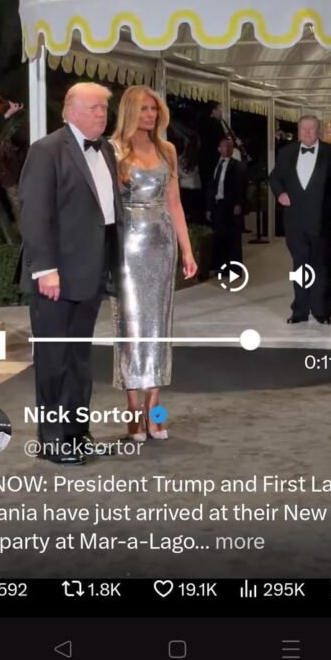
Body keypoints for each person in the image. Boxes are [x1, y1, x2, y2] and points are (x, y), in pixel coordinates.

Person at [18, 82, 123, 465]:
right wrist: (45, 269)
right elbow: (34, 214)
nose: (102, 114)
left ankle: (77, 433)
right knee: (54, 359)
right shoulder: (47, 151)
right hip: (56, 276)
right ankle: (53, 439)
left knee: (79, 358)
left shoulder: (107, 150)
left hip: (91, 273)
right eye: (95, 107)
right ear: (71, 109)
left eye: (104, 108)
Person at [110, 86, 197, 441]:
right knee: (130, 328)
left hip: (161, 246)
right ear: (131, 111)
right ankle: (133, 411)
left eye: (154, 109)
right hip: (128, 246)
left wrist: (188, 251)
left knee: (159, 328)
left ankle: (155, 411)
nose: (151, 115)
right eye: (144, 109)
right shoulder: (114, 150)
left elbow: (174, 204)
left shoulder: (167, 150)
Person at [269, 114, 331, 325]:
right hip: (295, 222)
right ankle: (300, 310)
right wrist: (280, 193)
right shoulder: (286, 153)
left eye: (311, 129)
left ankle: (322, 311)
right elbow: (274, 178)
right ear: (298, 130)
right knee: (299, 266)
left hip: (324, 221)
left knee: (322, 265)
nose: (307, 133)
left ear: (319, 131)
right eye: (303, 129)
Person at [208, 136, 244, 271]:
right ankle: (221, 266)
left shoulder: (237, 165)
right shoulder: (215, 164)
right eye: (224, 146)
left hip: (231, 205)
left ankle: (235, 268)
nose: (227, 148)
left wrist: (238, 204)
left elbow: (240, 186)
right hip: (218, 204)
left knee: (233, 237)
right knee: (220, 236)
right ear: (219, 149)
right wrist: (209, 206)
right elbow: (211, 186)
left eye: (230, 146)